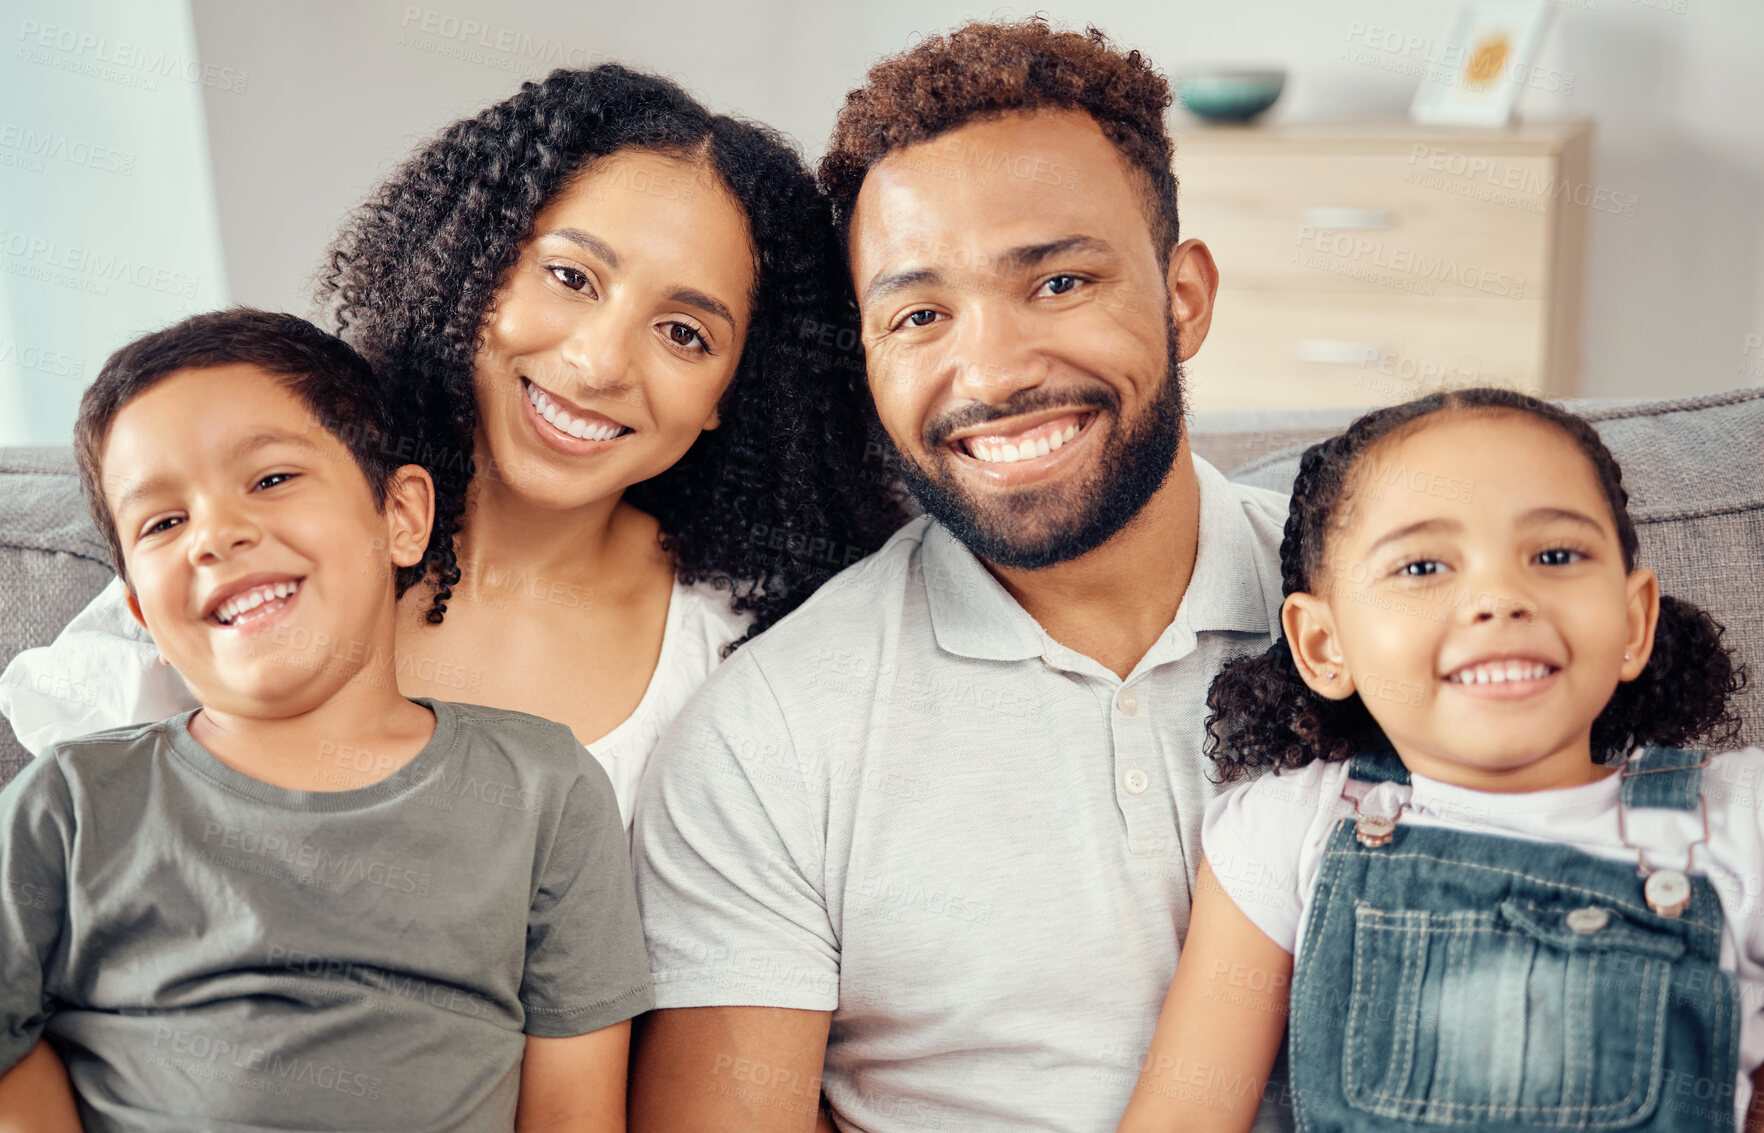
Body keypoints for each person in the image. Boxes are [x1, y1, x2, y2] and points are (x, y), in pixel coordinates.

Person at [629, 20, 1293, 1132]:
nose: (992, 371)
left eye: (1060, 280)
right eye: (920, 314)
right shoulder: (769, 737)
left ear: (1185, 297)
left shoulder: (1399, 621)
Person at [0, 63, 903, 824]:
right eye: (570, 275)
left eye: (685, 334)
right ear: (478, 268)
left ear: (731, 393)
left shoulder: (742, 652)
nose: (597, 365)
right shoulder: (252, 549)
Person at [0, 310, 650, 1131]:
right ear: (140, 615)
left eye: (271, 479)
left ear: (402, 517)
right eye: (163, 522)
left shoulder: (543, 790)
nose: (217, 535)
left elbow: (574, 1113)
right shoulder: (72, 802)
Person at [1115, 388, 1764, 1132]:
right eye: (1423, 567)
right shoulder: (1293, 825)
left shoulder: (1739, 815)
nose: (1500, 597)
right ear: (1325, 646)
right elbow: (1186, 1112)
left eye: (1555, 554)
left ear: (1632, 620)